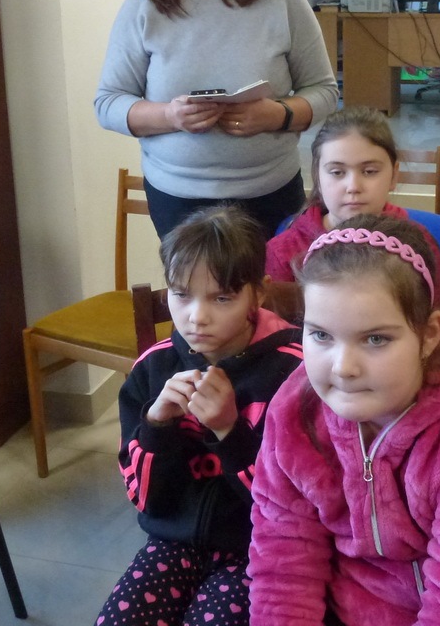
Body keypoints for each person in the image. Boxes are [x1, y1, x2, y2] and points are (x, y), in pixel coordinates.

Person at [249, 214, 440, 625]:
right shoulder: (295, 412)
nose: (344, 367)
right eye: (321, 335)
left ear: (429, 334)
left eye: (375, 339)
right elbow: (283, 564)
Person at [94, 0, 339, 240]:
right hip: (177, 200)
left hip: (271, 194)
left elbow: (324, 92)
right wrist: (171, 116)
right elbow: (108, 103)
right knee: (197, 284)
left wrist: (277, 115)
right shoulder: (146, 3)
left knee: (273, 282)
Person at [97, 205, 302, 626]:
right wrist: (156, 427)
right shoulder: (152, 369)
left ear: (258, 294)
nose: (197, 317)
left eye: (222, 298)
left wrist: (229, 431)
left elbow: (293, 509)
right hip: (172, 543)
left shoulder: (295, 373)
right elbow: (146, 499)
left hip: (257, 549)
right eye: (181, 294)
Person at [265, 105, 440, 304]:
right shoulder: (282, 252)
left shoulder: (418, 245)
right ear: (317, 176)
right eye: (337, 172)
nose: (353, 187)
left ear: (394, 175)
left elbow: (435, 317)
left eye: (369, 172)